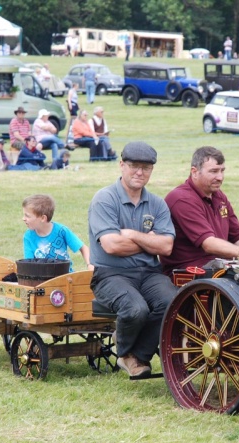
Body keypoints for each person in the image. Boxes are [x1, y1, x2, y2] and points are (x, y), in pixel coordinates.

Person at [87, 141, 178, 378]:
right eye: (134, 166)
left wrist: (131, 235)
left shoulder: (157, 204)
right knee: (136, 309)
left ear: (151, 171)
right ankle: (126, 353)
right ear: (121, 165)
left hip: (149, 273)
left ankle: (138, 356)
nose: (139, 172)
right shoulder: (104, 199)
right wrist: (148, 241)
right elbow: (111, 245)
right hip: (110, 274)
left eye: (146, 168)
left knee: (174, 302)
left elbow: (166, 246)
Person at [162, 146, 239, 276]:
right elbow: (208, 243)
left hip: (217, 267)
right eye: (214, 171)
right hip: (190, 272)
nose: (220, 177)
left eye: (222, 171)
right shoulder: (182, 199)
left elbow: (238, 235)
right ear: (194, 172)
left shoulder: (218, 196)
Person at [22, 194, 90, 269]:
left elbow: (83, 248)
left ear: (43, 218)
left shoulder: (61, 231)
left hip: (66, 276)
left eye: (27, 216)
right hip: (43, 279)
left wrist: (90, 265)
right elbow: (28, 264)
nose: (23, 218)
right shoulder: (28, 236)